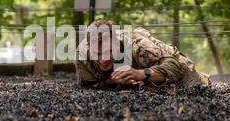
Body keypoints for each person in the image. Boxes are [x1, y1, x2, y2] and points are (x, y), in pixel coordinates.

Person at [75, 19, 210, 88]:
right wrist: (111, 81)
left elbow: (175, 68)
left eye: (108, 51)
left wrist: (140, 74)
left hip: (176, 66)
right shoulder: (82, 56)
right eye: (96, 53)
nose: (103, 59)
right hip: (140, 78)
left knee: (198, 85)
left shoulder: (139, 47)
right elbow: (88, 85)